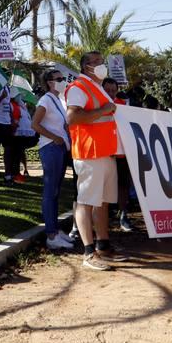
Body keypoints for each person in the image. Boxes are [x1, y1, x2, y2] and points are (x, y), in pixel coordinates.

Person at [64, 52, 129, 271]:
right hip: (89, 153)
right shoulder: (78, 87)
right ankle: (89, 252)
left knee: (102, 202)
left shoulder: (98, 88)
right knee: (86, 201)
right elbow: (72, 118)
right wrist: (103, 110)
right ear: (85, 67)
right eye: (95, 62)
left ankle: (103, 246)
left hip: (105, 153)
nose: (101, 65)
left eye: (102, 62)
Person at [33, 70, 74, 250]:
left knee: (55, 191)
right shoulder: (45, 100)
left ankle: (55, 230)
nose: (63, 81)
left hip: (59, 148)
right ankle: (51, 234)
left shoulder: (58, 100)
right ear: (50, 82)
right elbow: (34, 124)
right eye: (59, 79)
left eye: (63, 79)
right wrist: (54, 137)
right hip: (50, 148)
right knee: (50, 191)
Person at [103, 76, 137, 233]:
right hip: (104, 153)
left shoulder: (123, 105)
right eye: (107, 90)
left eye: (113, 90)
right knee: (105, 185)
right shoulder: (97, 105)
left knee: (123, 184)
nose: (110, 93)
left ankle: (123, 215)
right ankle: (106, 214)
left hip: (122, 152)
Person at [8, 94, 37, 183]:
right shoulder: (12, 105)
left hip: (21, 133)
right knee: (15, 155)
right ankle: (14, 173)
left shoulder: (20, 105)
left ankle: (16, 173)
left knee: (18, 153)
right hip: (16, 132)